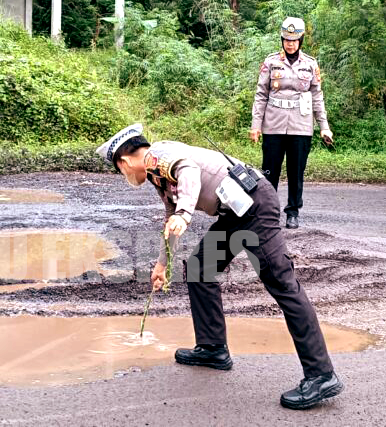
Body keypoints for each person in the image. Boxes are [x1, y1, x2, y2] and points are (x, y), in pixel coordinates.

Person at [96, 123, 343, 410]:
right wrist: (162, 264)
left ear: (124, 161)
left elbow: (188, 171)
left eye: (119, 169)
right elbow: (171, 217)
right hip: (236, 212)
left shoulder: (157, 155)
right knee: (200, 268)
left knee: (283, 284)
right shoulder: (156, 175)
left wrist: (186, 213)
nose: (124, 175)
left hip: (256, 206)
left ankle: (321, 375)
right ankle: (213, 348)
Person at [250, 17, 333, 229]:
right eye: (287, 39)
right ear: (282, 39)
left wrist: (324, 126)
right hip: (273, 124)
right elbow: (261, 94)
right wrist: (256, 125)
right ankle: (268, 212)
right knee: (270, 172)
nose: (290, 43)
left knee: (296, 171)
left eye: (294, 40)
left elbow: (317, 96)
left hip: (301, 126)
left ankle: (293, 211)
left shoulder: (310, 64)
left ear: (301, 40)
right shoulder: (270, 62)